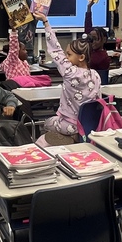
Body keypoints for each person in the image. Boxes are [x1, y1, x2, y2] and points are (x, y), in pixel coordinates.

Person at [35, 11, 100, 144]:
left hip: (68, 125)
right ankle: (75, 137)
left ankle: (69, 138)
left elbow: (55, 50)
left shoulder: (70, 72)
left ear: (81, 57)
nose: (66, 57)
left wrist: (45, 22)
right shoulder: (96, 75)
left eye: (69, 54)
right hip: (90, 125)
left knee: (46, 123)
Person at [83, 0, 110, 79]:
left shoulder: (102, 57)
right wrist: (89, 7)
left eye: (95, 39)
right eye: (91, 39)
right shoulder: (91, 51)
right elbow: (88, 25)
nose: (92, 42)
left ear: (104, 40)